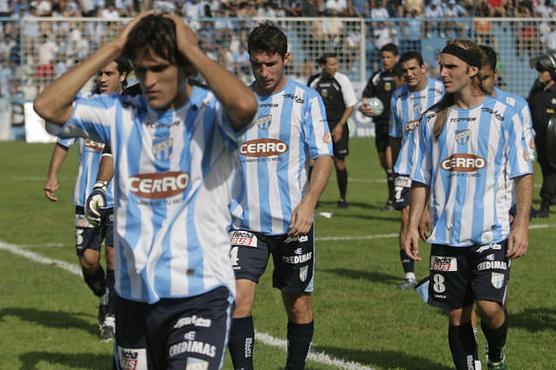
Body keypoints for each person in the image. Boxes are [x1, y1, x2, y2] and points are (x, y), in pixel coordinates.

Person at [34, 12, 258, 370]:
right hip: (133, 295)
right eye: (141, 70)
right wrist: (114, 45)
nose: (149, 80)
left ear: (182, 64)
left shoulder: (209, 112)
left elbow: (246, 105)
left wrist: (190, 49)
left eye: (159, 68)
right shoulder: (121, 112)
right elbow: (47, 107)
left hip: (199, 294)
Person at [404, 40, 533, 370]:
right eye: (441, 66)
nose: (442, 73)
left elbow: (523, 173)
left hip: (492, 232)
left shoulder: (506, 113)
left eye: (451, 67)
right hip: (447, 236)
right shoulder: (433, 118)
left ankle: (496, 353)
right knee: (458, 315)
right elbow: (420, 177)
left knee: (490, 309)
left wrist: (521, 225)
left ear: (472, 71)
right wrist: (412, 224)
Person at [227, 23, 333, 370]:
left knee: (298, 303)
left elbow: (323, 158)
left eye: (270, 63)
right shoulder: (239, 101)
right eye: (257, 64)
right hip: (245, 222)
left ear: (286, 57)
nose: (264, 71)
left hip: (293, 223)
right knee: (238, 300)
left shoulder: (306, 100)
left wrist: (308, 204)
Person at [43, 56, 132, 341]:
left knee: (113, 258)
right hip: (85, 198)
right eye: (100, 74)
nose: (102, 78)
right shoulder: (87, 108)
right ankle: (104, 293)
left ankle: (110, 315)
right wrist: (52, 175)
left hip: (119, 199)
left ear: (124, 76)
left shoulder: (133, 109)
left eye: (109, 73)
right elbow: (63, 141)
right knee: (89, 261)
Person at [389, 51, 444, 289]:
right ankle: (410, 275)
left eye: (413, 69)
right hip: (405, 166)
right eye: (405, 71)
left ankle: (440, 272)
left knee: (435, 216)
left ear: (423, 68)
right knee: (406, 218)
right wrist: (391, 169)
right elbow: (394, 136)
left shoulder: (441, 91)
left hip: (435, 166)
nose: (409, 74)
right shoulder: (397, 97)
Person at [309, 53, 357, 208]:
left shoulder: (342, 80)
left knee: (339, 162)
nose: (334, 67)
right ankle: (311, 199)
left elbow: (350, 105)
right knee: (312, 162)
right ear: (322, 65)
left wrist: (340, 126)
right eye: (331, 64)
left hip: (338, 125)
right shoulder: (314, 81)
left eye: (336, 64)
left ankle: (343, 198)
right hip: (318, 126)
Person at [360, 43, 399, 210]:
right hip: (380, 124)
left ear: (396, 58)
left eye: (388, 57)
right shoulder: (377, 77)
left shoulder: (401, 77)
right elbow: (365, 97)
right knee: (384, 163)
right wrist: (364, 107)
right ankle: (398, 195)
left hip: (396, 125)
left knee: (390, 162)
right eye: (383, 57)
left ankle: (393, 200)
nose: (385, 60)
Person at [528, 51, 556, 217]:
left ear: (552, 73)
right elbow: (530, 106)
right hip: (540, 137)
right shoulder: (536, 88)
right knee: (546, 167)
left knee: (551, 169)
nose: (540, 75)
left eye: (542, 71)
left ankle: (545, 203)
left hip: (553, 138)